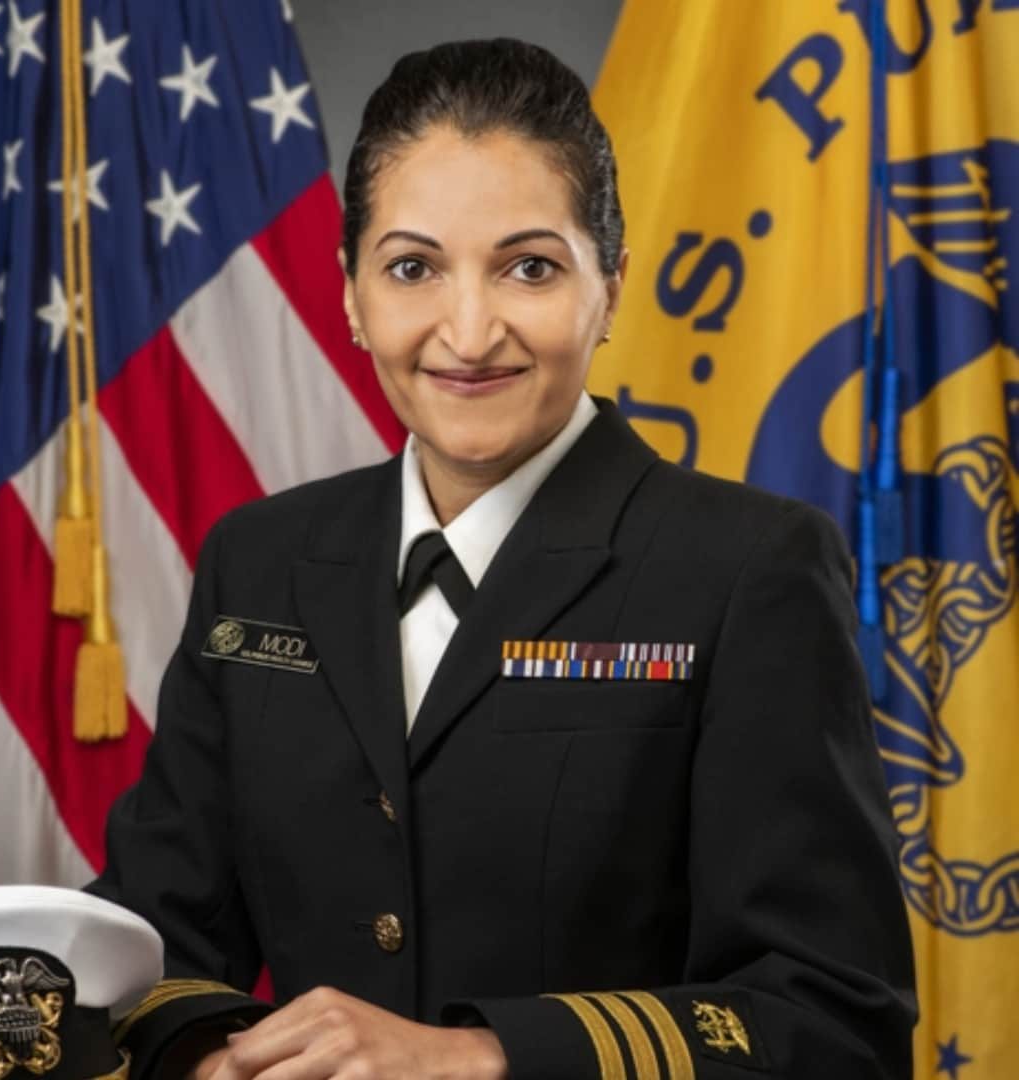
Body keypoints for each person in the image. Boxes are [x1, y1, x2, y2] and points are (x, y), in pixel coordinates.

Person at [90, 38, 917, 1080]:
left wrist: (480, 1054)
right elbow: (156, 943)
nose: (469, 332)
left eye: (529, 267)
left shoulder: (750, 570)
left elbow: (838, 1023)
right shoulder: (260, 561)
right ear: (350, 295)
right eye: (412, 268)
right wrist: (205, 1054)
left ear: (611, 287)